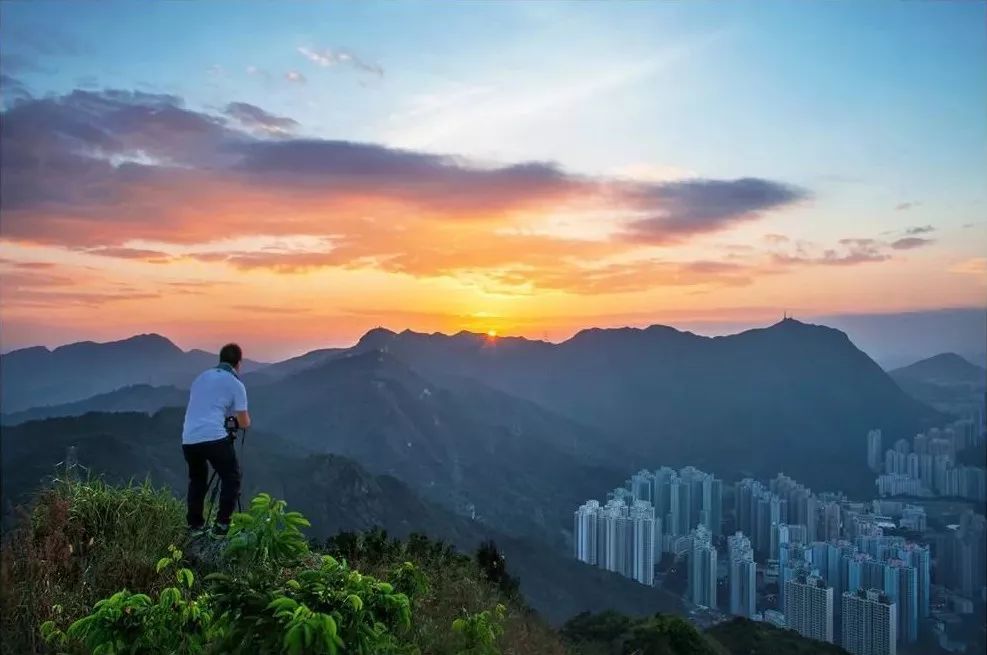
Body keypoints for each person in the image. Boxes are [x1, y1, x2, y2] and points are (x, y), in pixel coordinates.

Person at [181, 343, 251, 536]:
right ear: (238, 363)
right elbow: (244, 422)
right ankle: (221, 525)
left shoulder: (201, 377)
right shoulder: (236, 384)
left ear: (221, 360)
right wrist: (233, 422)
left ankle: (194, 525)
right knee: (231, 477)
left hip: (189, 437)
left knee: (197, 479)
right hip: (213, 437)